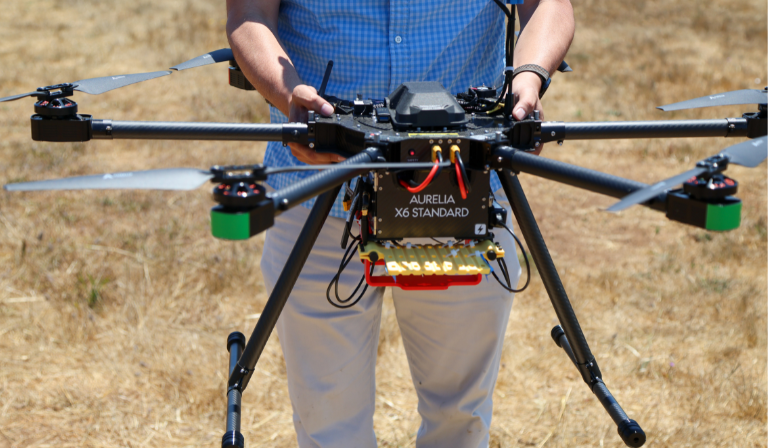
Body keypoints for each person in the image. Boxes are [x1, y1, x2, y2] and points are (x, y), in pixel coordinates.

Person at [226, 1, 574, 446]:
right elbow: (249, 12)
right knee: (328, 427)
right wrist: (288, 94)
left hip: (463, 191)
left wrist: (528, 78)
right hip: (317, 189)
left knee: (460, 420)